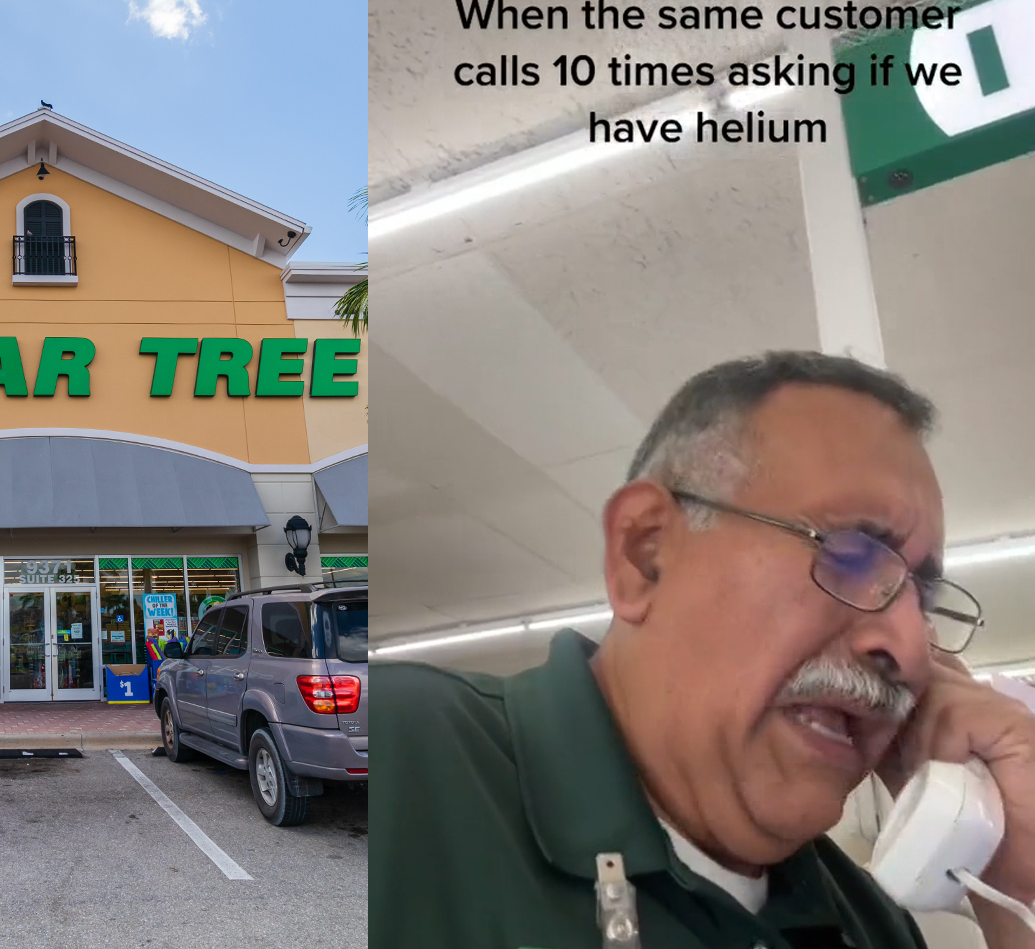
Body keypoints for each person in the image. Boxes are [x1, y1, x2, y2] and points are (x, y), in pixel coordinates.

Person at [367, 351, 1035, 948]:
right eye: (852, 554)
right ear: (645, 555)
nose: (911, 648)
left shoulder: (868, 924)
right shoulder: (407, 763)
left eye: (922, 594)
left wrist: (1020, 887)